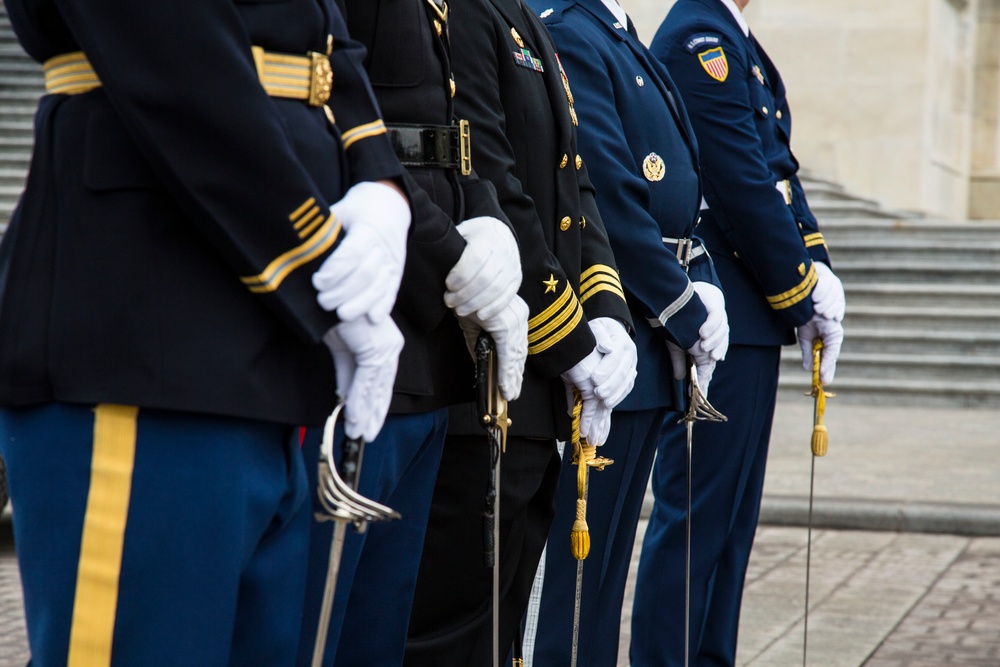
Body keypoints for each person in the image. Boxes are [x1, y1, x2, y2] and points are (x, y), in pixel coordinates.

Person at [0, 1, 412, 664]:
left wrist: (381, 185)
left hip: (274, 345)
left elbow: (329, 43)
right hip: (146, 322)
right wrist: (314, 266)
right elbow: (173, 53)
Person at [403, 0, 639, 664]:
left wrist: (607, 317)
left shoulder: (524, 17)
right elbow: (494, 185)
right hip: (483, 379)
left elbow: (575, 186)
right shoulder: (469, 14)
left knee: (501, 631)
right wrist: (569, 341)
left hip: (535, 400)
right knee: (450, 636)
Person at [296, 1, 528, 665]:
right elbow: (345, 130)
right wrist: (449, 254)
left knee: (381, 631)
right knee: (323, 633)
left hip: (430, 346)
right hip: (371, 316)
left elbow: (452, 130)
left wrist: (487, 223)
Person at [631, 1, 846, 665]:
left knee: (729, 526)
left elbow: (779, 168)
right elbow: (738, 178)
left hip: (756, 308)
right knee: (696, 518)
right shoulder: (700, 38)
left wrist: (818, 267)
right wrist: (800, 285)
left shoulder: (733, 36)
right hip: (724, 308)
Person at [524, 1, 730, 665]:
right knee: (573, 587)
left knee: (601, 580)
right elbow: (609, 192)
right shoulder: (569, 27)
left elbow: (682, 191)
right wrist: (684, 312)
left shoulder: (614, 29)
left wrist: (701, 285)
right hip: (609, 326)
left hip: (643, 336)